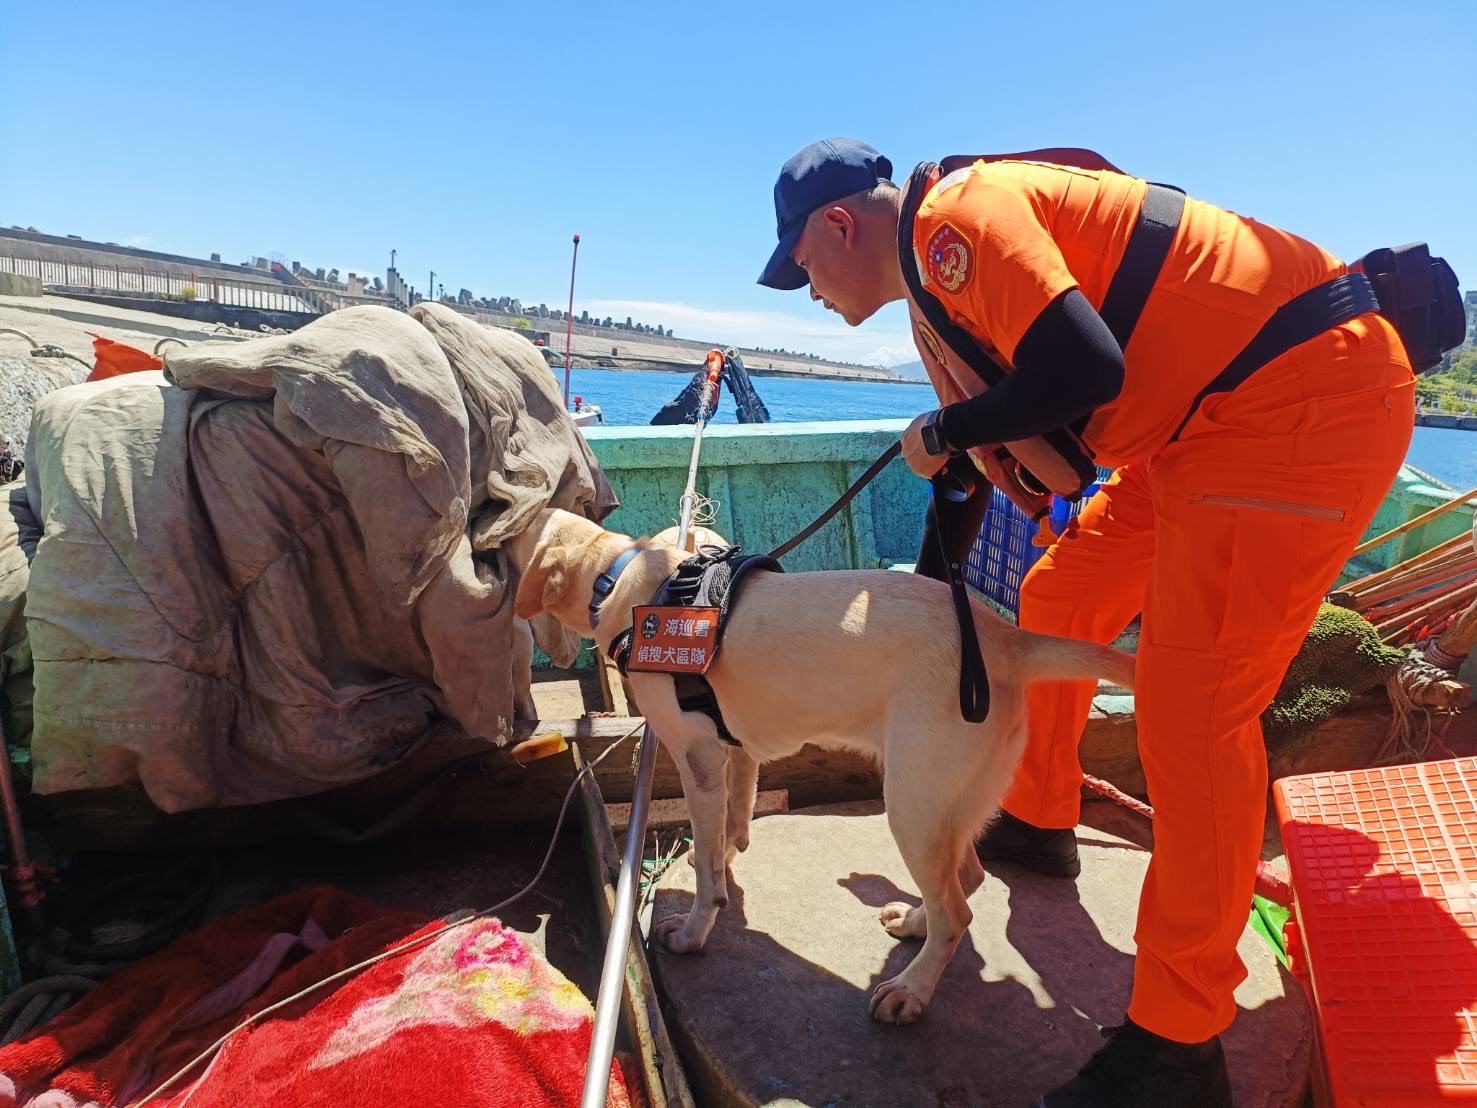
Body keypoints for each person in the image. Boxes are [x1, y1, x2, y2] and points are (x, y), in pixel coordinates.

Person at [757, 138, 1416, 1106]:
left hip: (1295, 398)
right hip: (1191, 423)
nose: (807, 291)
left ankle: (1179, 1043)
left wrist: (945, 433)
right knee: (1058, 597)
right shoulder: (939, 295)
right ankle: (1038, 813)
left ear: (837, 225)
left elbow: (1081, 362)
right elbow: (1036, 454)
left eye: (801, 267)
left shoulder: (953, 226)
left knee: (1192, 714)